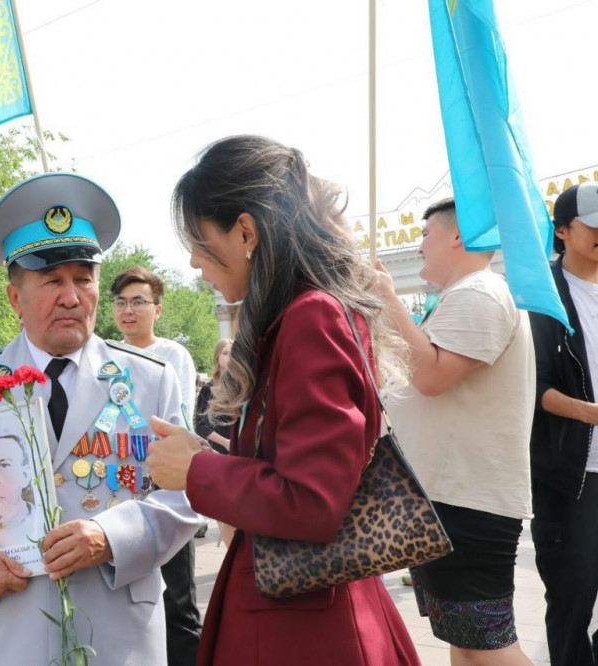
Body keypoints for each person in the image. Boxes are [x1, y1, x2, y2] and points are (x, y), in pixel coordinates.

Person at [0, 172, 201, 666]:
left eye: (84, 279)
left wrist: (112, 536)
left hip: (120, 635)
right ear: (15, 298)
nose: (72, 297)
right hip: (13, 632)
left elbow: (187, 491)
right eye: (52, 281)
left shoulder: (149, 379)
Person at [146, 135, 420, 665]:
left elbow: (312, 501)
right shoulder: (297, 314)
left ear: (245, 232)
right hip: (299, 608)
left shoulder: (310, 316)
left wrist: (197, 469)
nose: (194, 261)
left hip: (306, 629)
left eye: (200, 240)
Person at [375, 197, 534, 665]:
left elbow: (431, 377)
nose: (420, 246)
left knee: (488, 648)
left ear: (459, 235)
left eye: (426, 234)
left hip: (467, 501)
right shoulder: (465, 295)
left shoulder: (479, 293)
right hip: (450, 497)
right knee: (465, 643)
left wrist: (388, 298)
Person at [110, 264, 202, 666]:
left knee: (177, 601)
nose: (128, 311)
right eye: (121, 302)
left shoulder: (172, 355)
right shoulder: (106, 357)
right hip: (118, 486)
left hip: (165, 485)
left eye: (138, 302)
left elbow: (175, 423)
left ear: (157, 309)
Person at [528, 182, 598, 665]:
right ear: (562, 231)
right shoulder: (542, 296)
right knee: (573, 597)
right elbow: (534, 388)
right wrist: (590, 413)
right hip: (573, 474)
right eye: (593, 225)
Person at [195, 339, 233, 455]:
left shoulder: (244, 387)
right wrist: (226, 443)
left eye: (233, 353)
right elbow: (201, 426)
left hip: (242, 451)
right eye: (225, 353)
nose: (230, 357)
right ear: (217, 358)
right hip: (219, 452)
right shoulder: (209, 389)